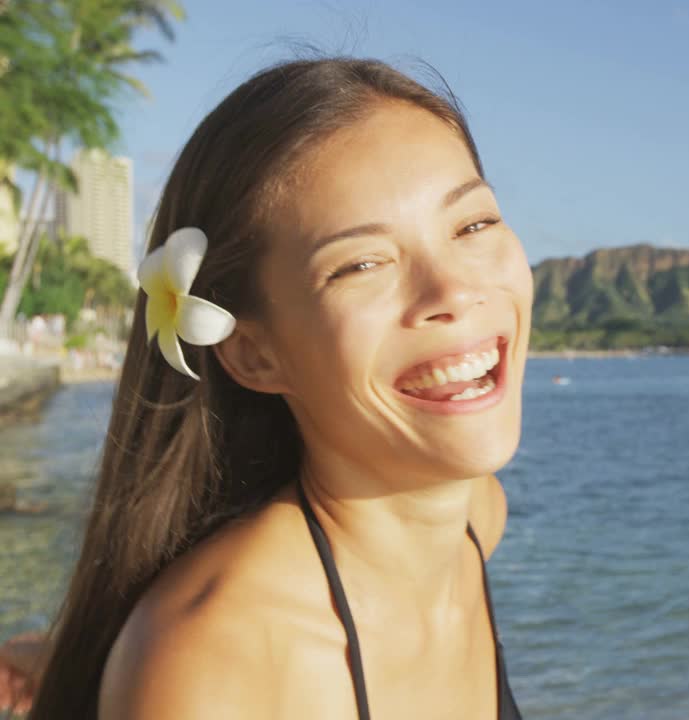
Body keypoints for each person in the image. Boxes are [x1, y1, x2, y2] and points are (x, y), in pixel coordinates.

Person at [2, 57, 530, 719]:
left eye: (472, 225)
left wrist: (74, 664)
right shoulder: (215, 663)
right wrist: (154, 666)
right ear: (254, 354)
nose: (454, 291)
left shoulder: (472, 517)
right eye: (361, 264)